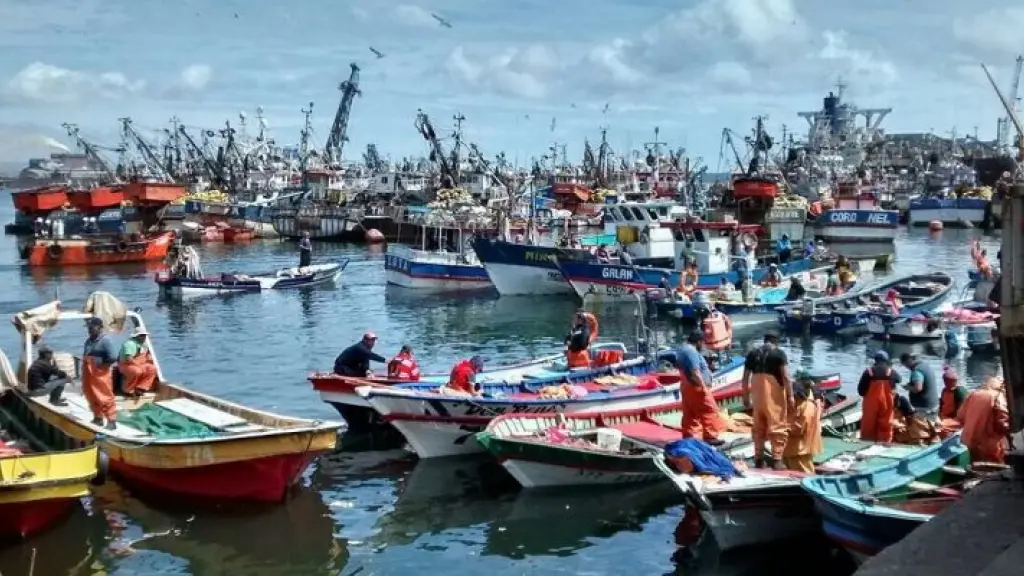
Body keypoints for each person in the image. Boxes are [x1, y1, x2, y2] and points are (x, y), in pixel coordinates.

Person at [742, 332, 792, 468]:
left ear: (765, 340)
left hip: (757, 397)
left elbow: (745, 378)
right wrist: (790, 396)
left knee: (758, 428)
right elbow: (786, 377)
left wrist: (746, 397)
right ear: (776, 341)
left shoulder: (752, 354)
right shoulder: (779, 353)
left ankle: (759, 459)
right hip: (774, 397)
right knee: (777, 427)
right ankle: (777, 460)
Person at [676, 331, 725, 446]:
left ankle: (690, 437)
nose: (703, 345)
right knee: (709, 410)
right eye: (702, 343)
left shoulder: (682, 350)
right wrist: (703, 387)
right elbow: (695, 371)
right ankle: (710, 437)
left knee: (690, 413)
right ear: (699, 341)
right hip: (696, 386)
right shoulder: (691, 352)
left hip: (687, 386)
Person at [957, 376, 1011, 463]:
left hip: (968, 441)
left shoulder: (973, 394)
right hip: (988, 445)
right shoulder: (998, 396)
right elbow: (1003, 423)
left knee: (975, 464)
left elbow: (960, 416)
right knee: (994, 469)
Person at [82, 317, 119, 429]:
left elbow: (113, 357)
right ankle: (98, 417)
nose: (90, 330)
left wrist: (102, 366)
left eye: (92, 327)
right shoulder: (89, 340)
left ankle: (111, 421)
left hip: (100, 372)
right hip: (88, 372)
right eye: (89, 328)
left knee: (104, 395)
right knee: (90, 394)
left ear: (100, 327)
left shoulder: (105, 340)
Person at [857, 350, 902, 442]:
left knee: (868, 423)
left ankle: (866, 442)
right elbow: (899, 380)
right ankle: (884, 442)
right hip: (887, 402)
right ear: (886, 360)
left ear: (875, 360)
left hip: (870, 403)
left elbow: (860, 390)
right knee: (886, 422)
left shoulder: (868, 372)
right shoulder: (891, 372)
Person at [782, 378, 823, 473]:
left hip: (801, 450)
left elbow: (800, 429)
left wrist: (783, 428)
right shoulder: (796, 405)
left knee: (804, 471)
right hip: (791, 449)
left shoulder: (807, 407)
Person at [898, 353, 938, 420]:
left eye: (905, 365)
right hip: (934, 404)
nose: (906, 367)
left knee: (919, 427)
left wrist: (907, 387)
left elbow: (918, 388)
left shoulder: (917, 371)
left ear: (907, 361)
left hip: (924, 408)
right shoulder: (925, 366)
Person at [118, 328, 158, 396]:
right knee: (137, 371)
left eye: (145, 335)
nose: (144, 337)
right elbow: (129, 359)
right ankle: (127, 390)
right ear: (136, 336)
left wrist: (149, 359)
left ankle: (140, 388)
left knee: (152, 369)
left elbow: (147, 356)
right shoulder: (129, 344)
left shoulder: (144, 345)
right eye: (142, 335)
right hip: (126, 365)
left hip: (139, 364)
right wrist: (139, 366)